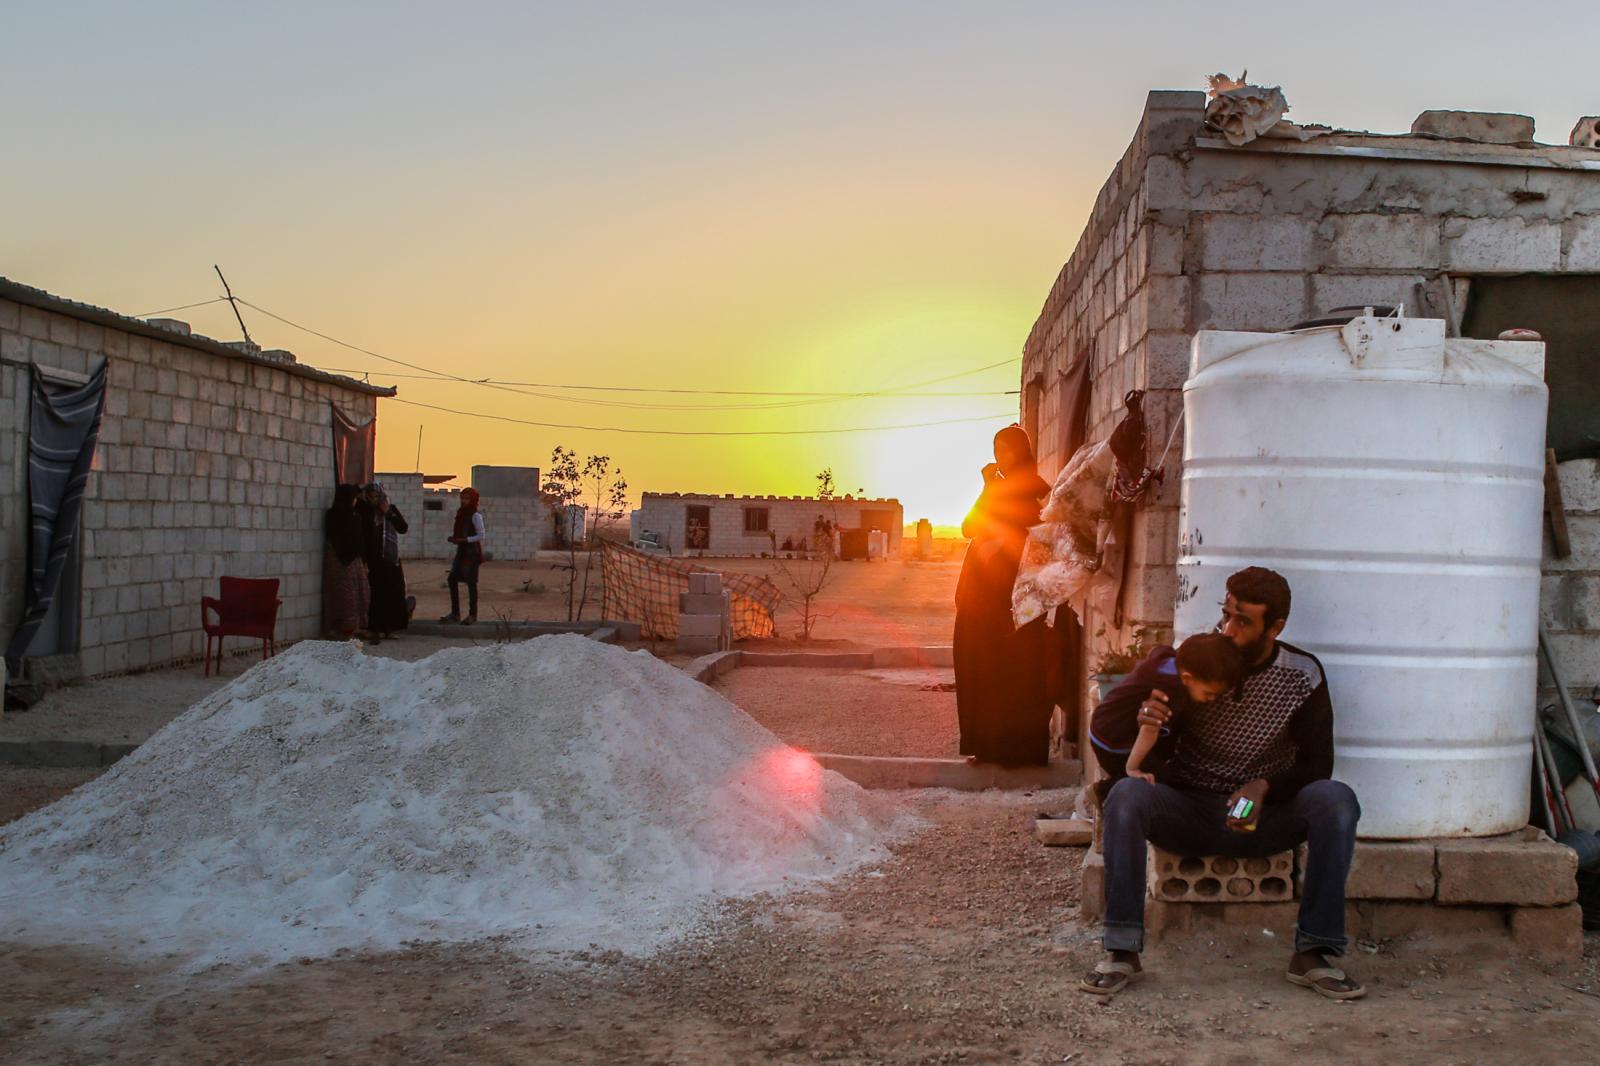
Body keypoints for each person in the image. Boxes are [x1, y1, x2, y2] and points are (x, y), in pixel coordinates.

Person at [1080, 567, 1364, 1001]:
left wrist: (1262, 787)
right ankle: (1121, 950)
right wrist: (1145, 719)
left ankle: (1314, 954)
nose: (1228, 630)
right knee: (1128, 795)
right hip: (1189, 809)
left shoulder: (1301, 674)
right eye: (1226, 615)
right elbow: (1130, 747)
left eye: (1244, 621)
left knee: (1336, 799)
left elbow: (1317, 764)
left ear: (1276, 627)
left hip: (1262, 817)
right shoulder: (1192, 663)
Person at [953, 424, 1052, 766]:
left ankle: (1015, 751)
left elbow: (1037, 532)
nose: (1001, 457)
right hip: (985, 596)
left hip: (1009, 598)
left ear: (1021, 452)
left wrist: (1001, 538)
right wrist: (988, 488)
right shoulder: (1001, 487)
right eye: (997, 450)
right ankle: (989, 746)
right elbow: (970, 526)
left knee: (1012, 670)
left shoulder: (1031, 489)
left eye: (1007, 450)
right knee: (982, 666)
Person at [1087, 633, 1242, 807]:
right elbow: (1150, 729)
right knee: (1160, 779)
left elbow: (1157, 650)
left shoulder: (1167, 660)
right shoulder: (1170, 691)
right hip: (1112, 742)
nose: (1212, 699)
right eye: (1208, 693)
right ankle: (1104, 791)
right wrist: (1132, 768)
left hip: (1100, 724)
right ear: (1187, 678)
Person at [361, 482, 410, 642]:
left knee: (394, 593)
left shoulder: (391, 510)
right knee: (376, 595)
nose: (374, 500)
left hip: (391, 559)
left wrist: (388, 512)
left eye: (377, 497)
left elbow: (402, 528)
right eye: (371, 497)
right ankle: (375, 628)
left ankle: (390, 628)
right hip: (374, 561)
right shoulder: (365, 511)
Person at [322, 484, 370, 640]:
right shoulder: (352, 517)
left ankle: (339, 628)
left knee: (340, 595)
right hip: (348, 562)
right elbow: (358, 540)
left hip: (337, 560)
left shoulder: (332, 515)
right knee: (351, 596)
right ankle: (348, 629)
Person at [441, 487, 485, 625]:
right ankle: (455, 613)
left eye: (467, 498)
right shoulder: (461, 514)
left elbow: (481, 535)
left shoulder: (475, 516)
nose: (464, 501)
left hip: (471, 553)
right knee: (452, 579)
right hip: (462, 551)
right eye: (462, 498)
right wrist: (455, 539)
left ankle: (473, 615)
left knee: (471, 583)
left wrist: (464, 540)